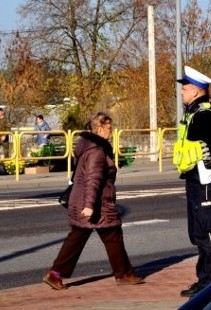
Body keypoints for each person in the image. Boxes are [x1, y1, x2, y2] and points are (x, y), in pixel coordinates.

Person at [43, 112, 144, 290]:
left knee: (82, 237)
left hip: (87, 200)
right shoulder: (97, 150)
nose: (111, 132)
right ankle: (123, 274)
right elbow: (93, 179)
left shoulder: (88, 146)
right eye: (109, 128)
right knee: (109, 236)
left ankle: (55, 274)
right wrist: (89, 205)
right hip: (97, 203)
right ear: (99, 128)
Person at [174, 65, 211, 297]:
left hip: (205, 178)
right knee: (198, 231)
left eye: (185, 89)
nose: (182, 93)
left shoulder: (204, 115)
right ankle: (204, 278)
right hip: (195, 177)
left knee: (208, 230)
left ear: (197, 91)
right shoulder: (194, 113)